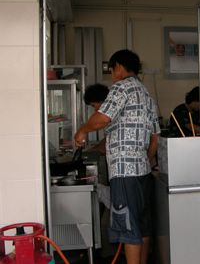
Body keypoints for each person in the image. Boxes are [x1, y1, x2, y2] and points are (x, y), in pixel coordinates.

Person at [74, 49, 160, 264]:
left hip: (124, 171)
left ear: (119, 67)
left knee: (128, 226)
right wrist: (147, 160)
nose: (112, 74)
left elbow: (103, 118)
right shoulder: (146, 94)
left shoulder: (121, 87)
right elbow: (155, 137)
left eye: (112, 69)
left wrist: (82, 130)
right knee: (142, 226)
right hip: (143, 171)